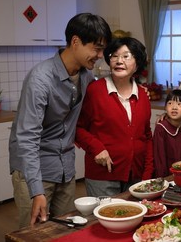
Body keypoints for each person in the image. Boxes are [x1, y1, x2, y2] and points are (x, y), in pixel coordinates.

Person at [8, 13, 112, 228]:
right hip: (34, 172)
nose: (100, 55)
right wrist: (36, 190)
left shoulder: (85, 76)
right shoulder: (40, 79)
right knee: (34, 233)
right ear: (75, 42)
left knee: (65, 231)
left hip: (65, 169)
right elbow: (27, 139)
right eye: (96, 48)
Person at [75, 37, 154, 197]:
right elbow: (77, 128)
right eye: (114, 56)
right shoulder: (95, 91)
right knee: (101, 220)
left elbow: (146, 137)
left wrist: (147, 174)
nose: (119, 61)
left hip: (136, 176)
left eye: (126, 56)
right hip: (103, 176)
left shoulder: (143, 95)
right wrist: (97, 148)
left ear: (137, 63)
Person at [153, 89, 181, 178]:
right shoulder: (161, 127)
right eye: (170, 103)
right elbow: (159, 158)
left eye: (179, 104)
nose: (174, 107)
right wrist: (163, 179)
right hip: (168, 176)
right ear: (165, 107)